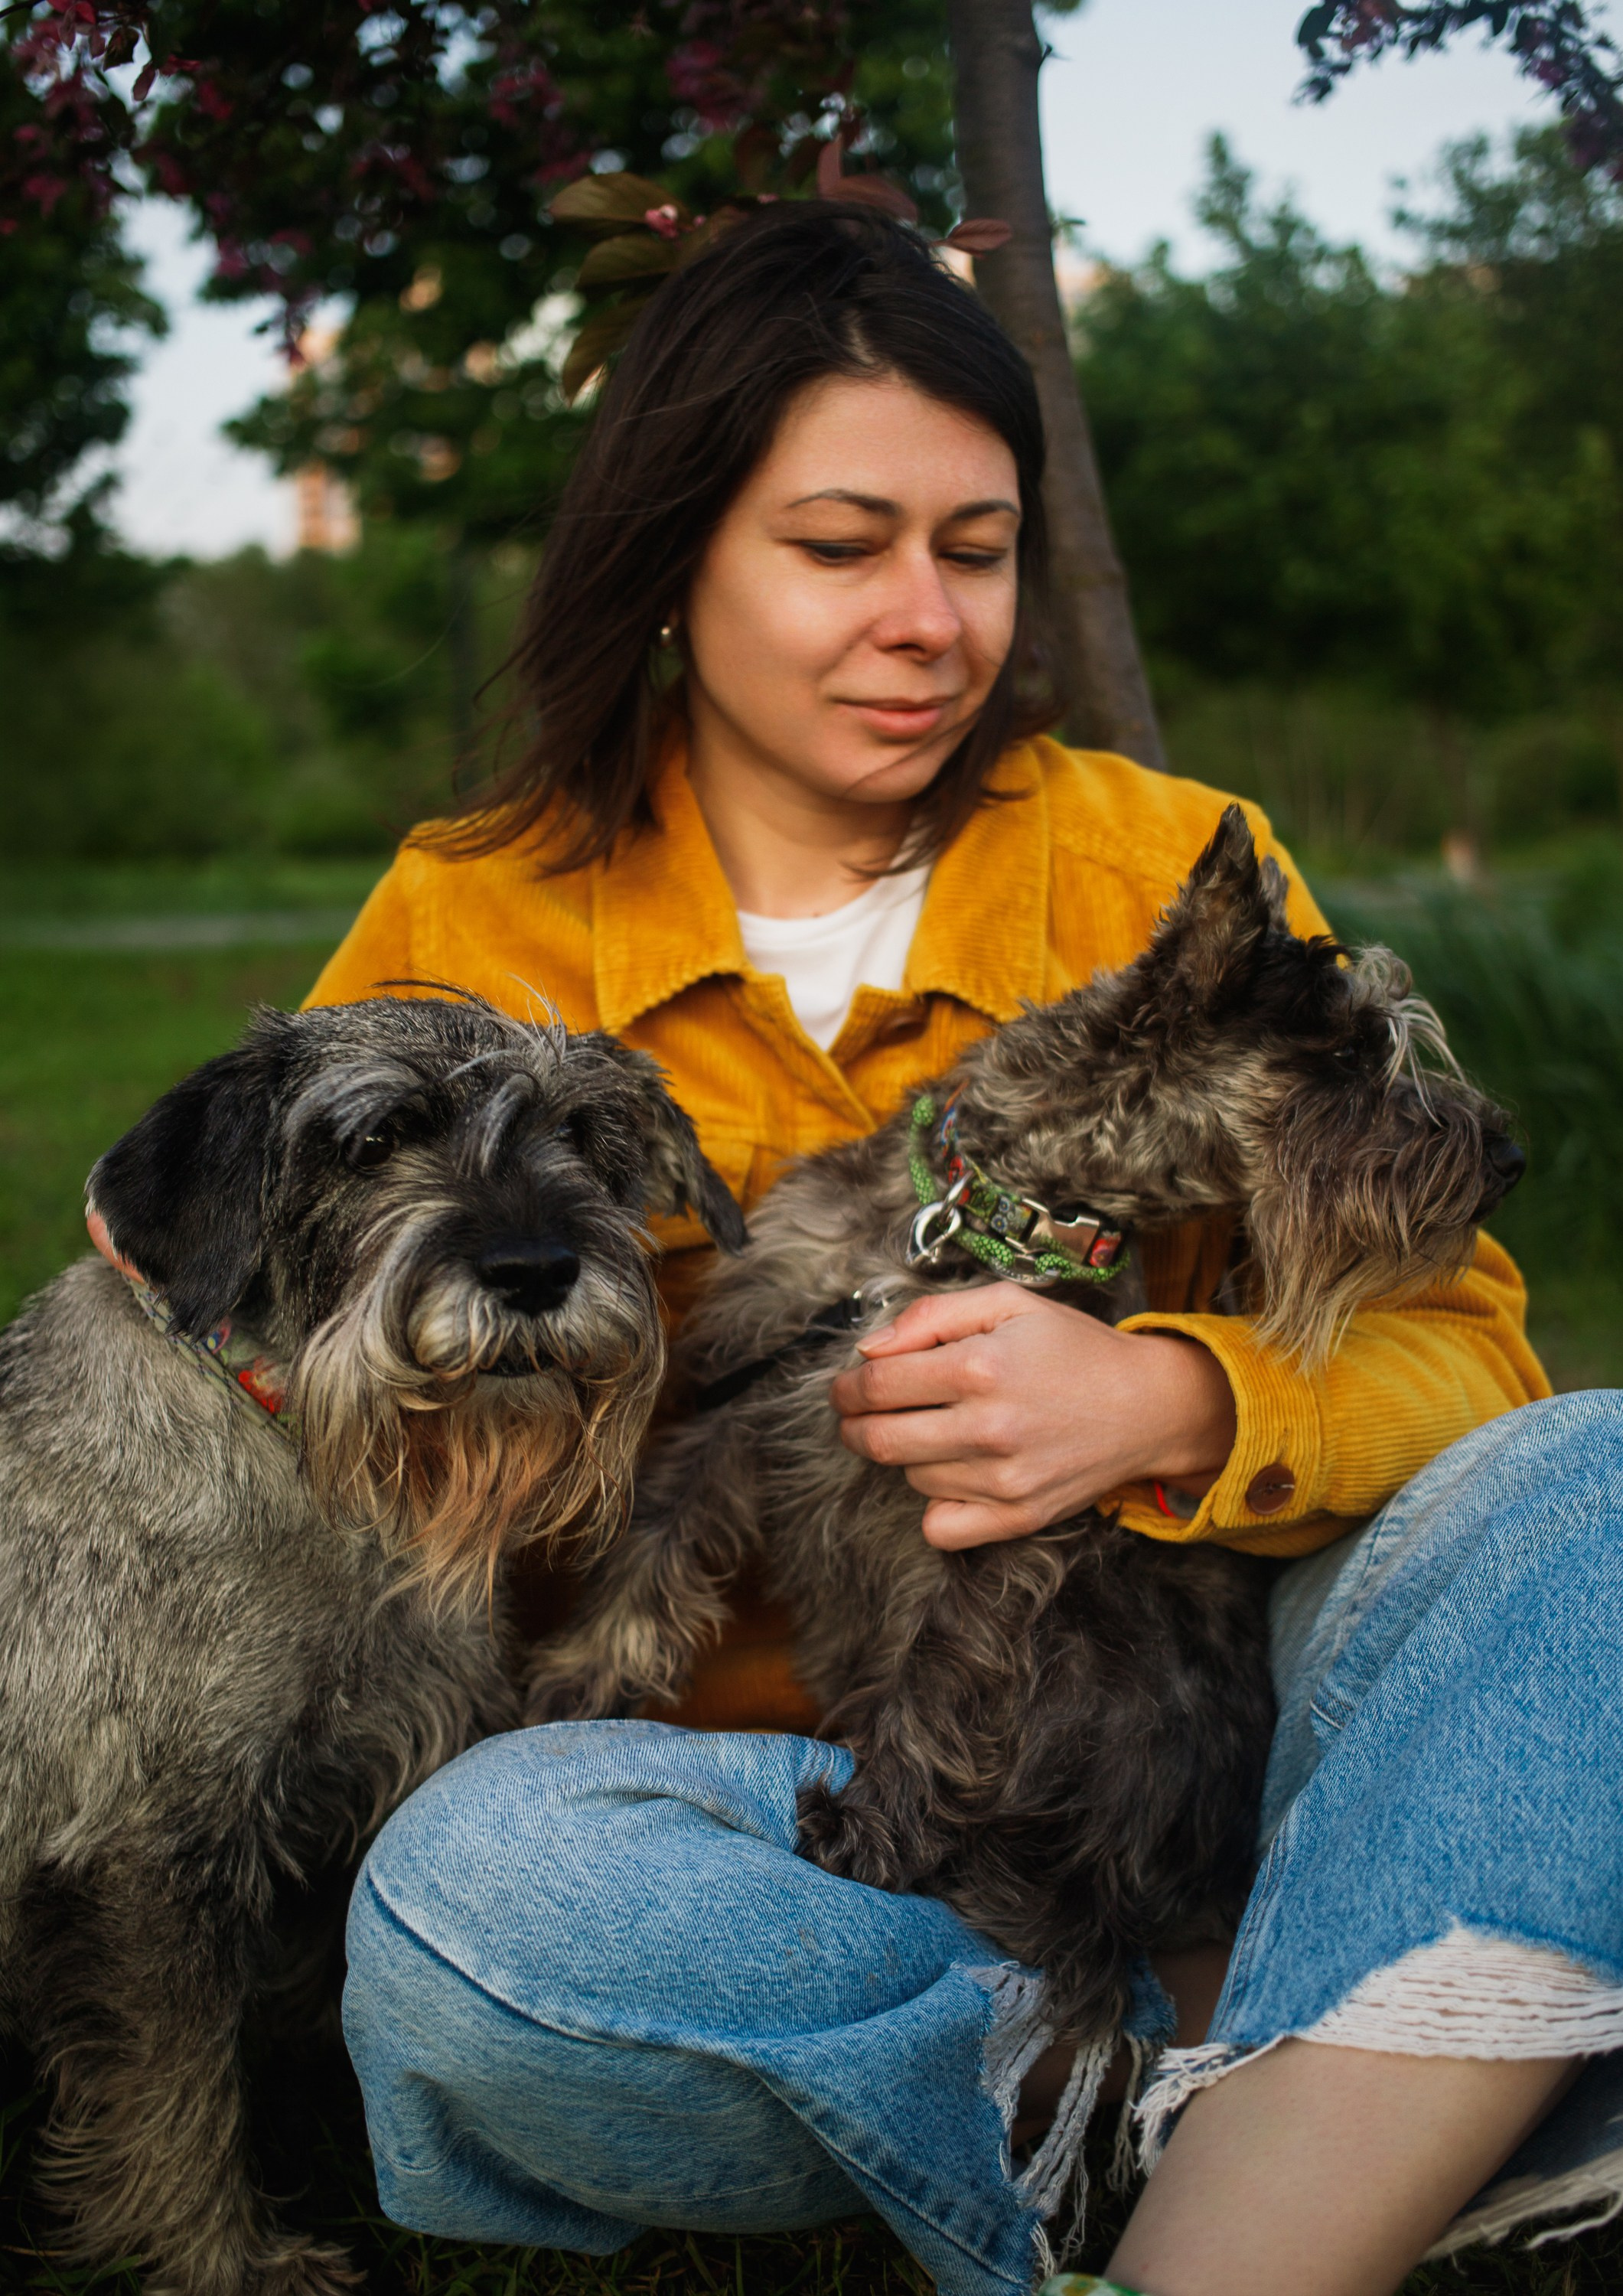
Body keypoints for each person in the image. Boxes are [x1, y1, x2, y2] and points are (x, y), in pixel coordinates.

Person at [308, 203, 1623, 2296]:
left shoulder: (1161, 861)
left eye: (977, 547)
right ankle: (1294, 2075)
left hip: (1210, 1753)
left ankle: (1207, 2202)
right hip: (770, 1822)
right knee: (473, 1917)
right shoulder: (471, 922)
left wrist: (1172, 1395)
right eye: (839, 547)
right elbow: (313, 1399)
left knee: (1601, 1497)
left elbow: (1468, 1371)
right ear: (675, 556)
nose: (927, 620)